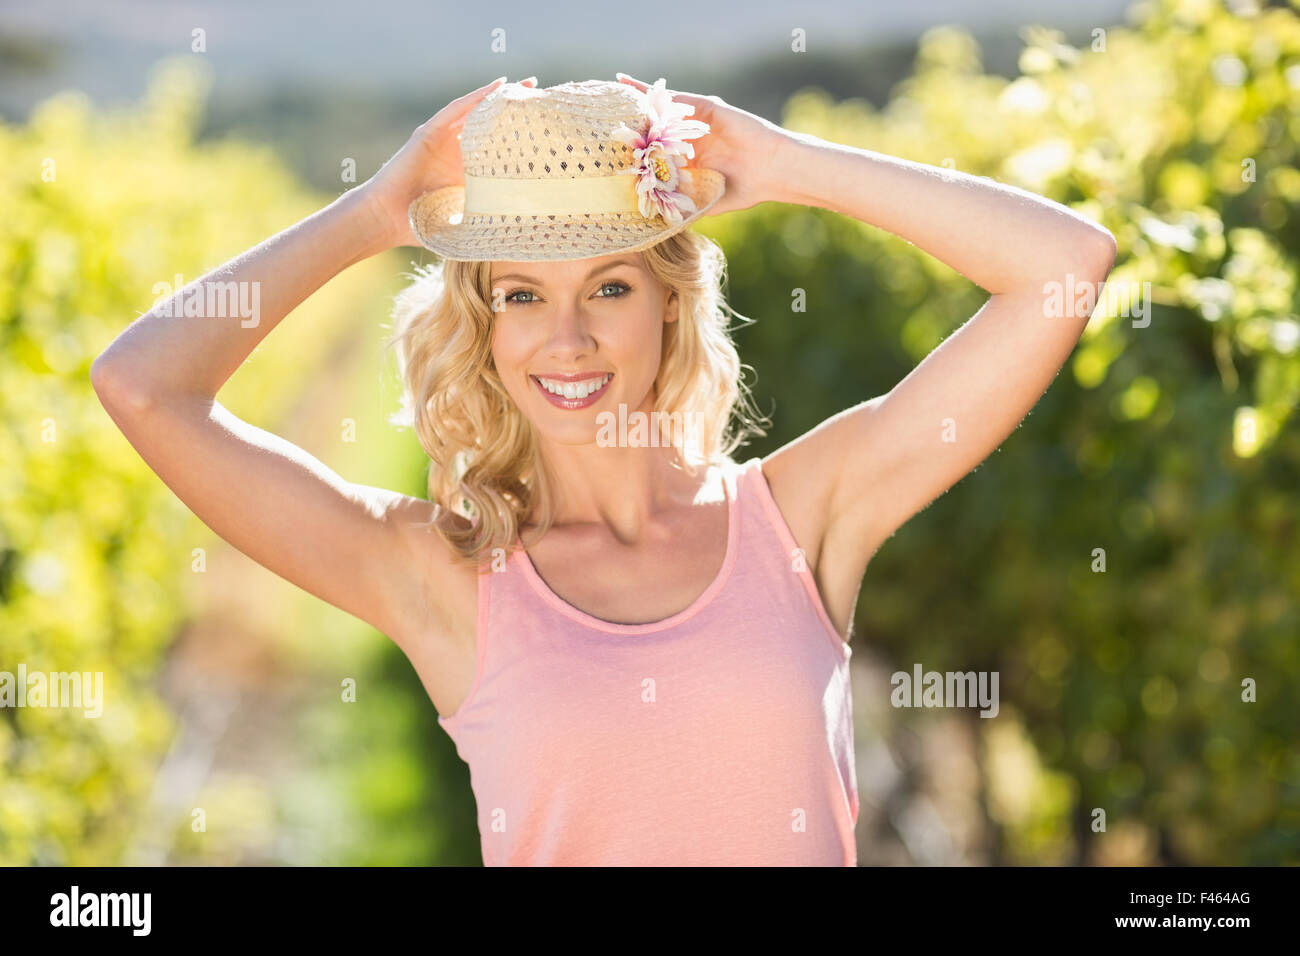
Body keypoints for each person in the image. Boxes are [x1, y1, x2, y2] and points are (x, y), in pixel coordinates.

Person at [91, 74, 1116, 866]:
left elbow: (1062, 269)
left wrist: (783, 164)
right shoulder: (441, 575)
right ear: (482, 327)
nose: (567, 338)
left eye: (610, 284)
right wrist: (372, 212)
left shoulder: (795, 521)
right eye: (522, 296)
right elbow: (143, 387)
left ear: (669, 298)